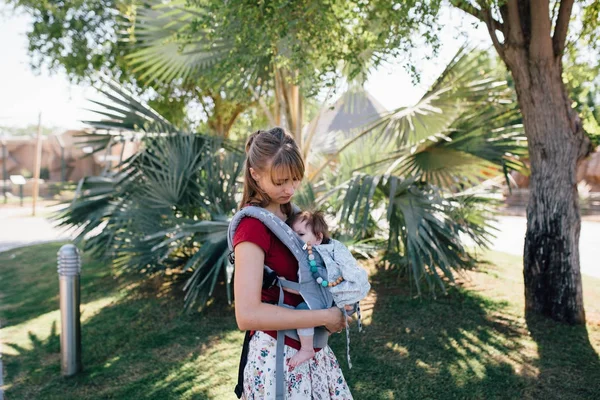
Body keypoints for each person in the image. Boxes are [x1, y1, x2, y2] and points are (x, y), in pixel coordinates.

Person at [233, 127, 353, 399]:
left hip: (309, 352)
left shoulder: (292, 216)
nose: (290, 189)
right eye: (280, 181)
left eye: (296, 179)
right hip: (280, 358)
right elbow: (247, 315)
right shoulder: (252, 228)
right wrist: (325, 316)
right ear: (255, 175)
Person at [285, 210, 370, 368]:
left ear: (318, 238)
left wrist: (286, 286)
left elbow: (313, 287)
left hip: (340, 302)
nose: (296, 239)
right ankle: (325, 332)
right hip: (337, 302)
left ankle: (307, 348)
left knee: (303, 311)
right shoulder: (316, 252)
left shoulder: (318, 257)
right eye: (293, 235)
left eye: (301, 234)